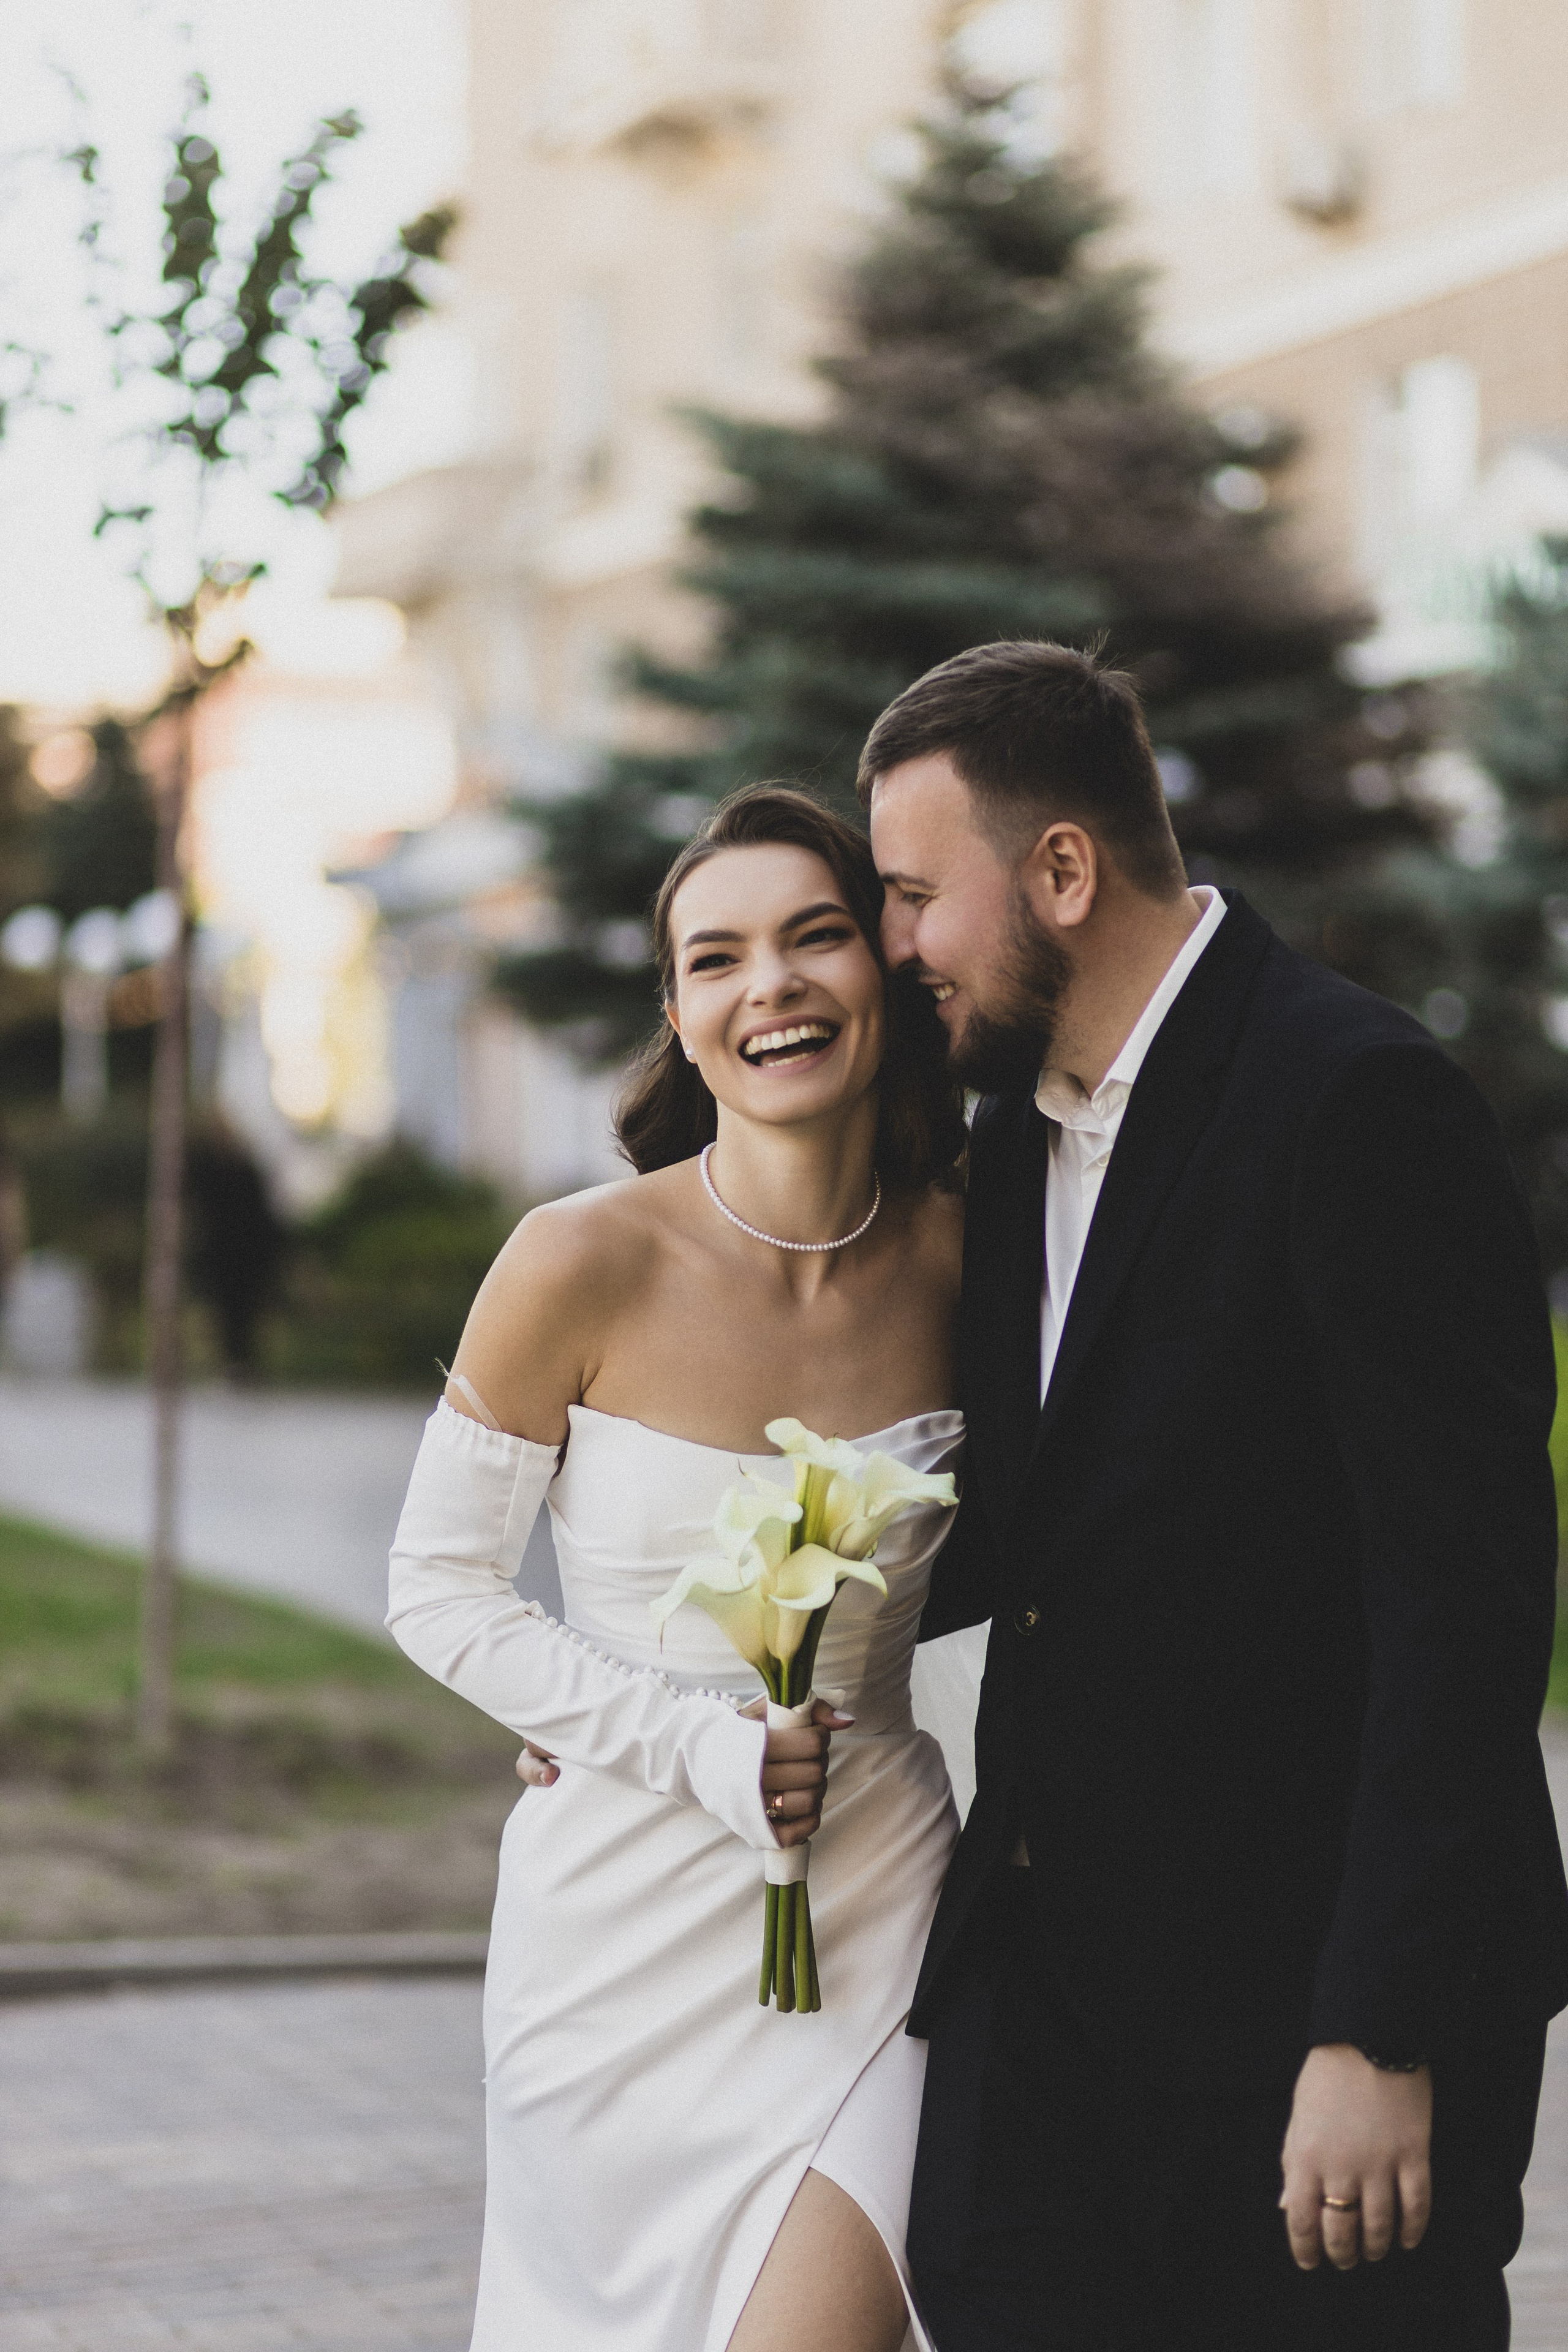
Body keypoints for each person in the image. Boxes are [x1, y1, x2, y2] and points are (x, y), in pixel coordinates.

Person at [862, 638, 1568, 2351]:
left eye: (908, 898)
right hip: (1051, 2017)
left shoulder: (1358, 1101)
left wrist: (1377, 2032)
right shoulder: (1012, 1136)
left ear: (1062, 870)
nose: (894, 953)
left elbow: (1463, 1606)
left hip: (1308, 2041)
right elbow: (1032, 1533)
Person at [386, 786, 968, 2352]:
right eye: (716, 959)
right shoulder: (577, 1258)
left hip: (876, 1907)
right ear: (678, 1013)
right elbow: (438, 1588)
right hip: (617, 1931)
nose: (766, 984)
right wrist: (664, 1732)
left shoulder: (975, 1266)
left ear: (882, 974)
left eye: (813, 938)